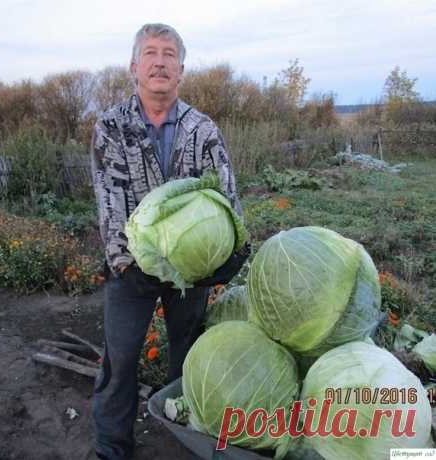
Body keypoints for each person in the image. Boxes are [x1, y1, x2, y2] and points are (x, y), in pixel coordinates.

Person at [90, 23, 249, 460]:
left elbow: (227, 197)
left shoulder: (203, 129)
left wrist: (226, 256)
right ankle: (111, 448)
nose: (159, 61)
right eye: (150, 53)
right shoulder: (111, 126)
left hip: (194, 267)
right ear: (134, 67)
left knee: (189, 359)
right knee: (120, 361)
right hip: (131, 269)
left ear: (181, 69)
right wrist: (131, 260)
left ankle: (188, 438)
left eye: (169, 54)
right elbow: (110, 203)